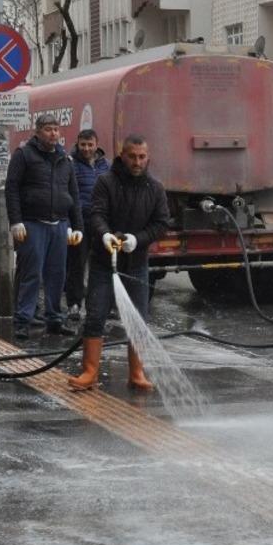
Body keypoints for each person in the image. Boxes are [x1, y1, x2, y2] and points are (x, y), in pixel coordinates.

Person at [69, 134, 170, 393]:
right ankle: (90, 372)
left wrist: (138, 240)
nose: (137, 162)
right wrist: (105, 235)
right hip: (104, 263)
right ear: (122, 156)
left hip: (136, 263)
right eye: (132, 156)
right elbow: (96, 214)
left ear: (148, 157)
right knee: (96, 315)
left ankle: (136, 373)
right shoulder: (106, 182)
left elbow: (161, 223)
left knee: (138, 319)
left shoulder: (155, 188)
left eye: (142, 157)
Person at [4, 113, 84, 341]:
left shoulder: (65, 159)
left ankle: (54, 320)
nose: (53, 134)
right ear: (37, 132)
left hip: (59, 225)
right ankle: (23, 321)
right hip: (33, 224)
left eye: (56, 129)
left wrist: (77, 226)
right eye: (48, 129)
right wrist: (16, 221)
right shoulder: (24, 155)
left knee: (57, 275)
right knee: (31, 274)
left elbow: (74, 195)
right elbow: (12, 189)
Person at [68, 128, 109, 321]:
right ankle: (74, 304)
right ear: (77, 144)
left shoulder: (105, 165)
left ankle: (99, 305)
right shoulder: (71, 165)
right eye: (82, 145)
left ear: (96, 145)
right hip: (80, 222)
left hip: (101, 223)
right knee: (77, 264)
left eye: (90, 145)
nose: (86, 148)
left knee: (101, 265)